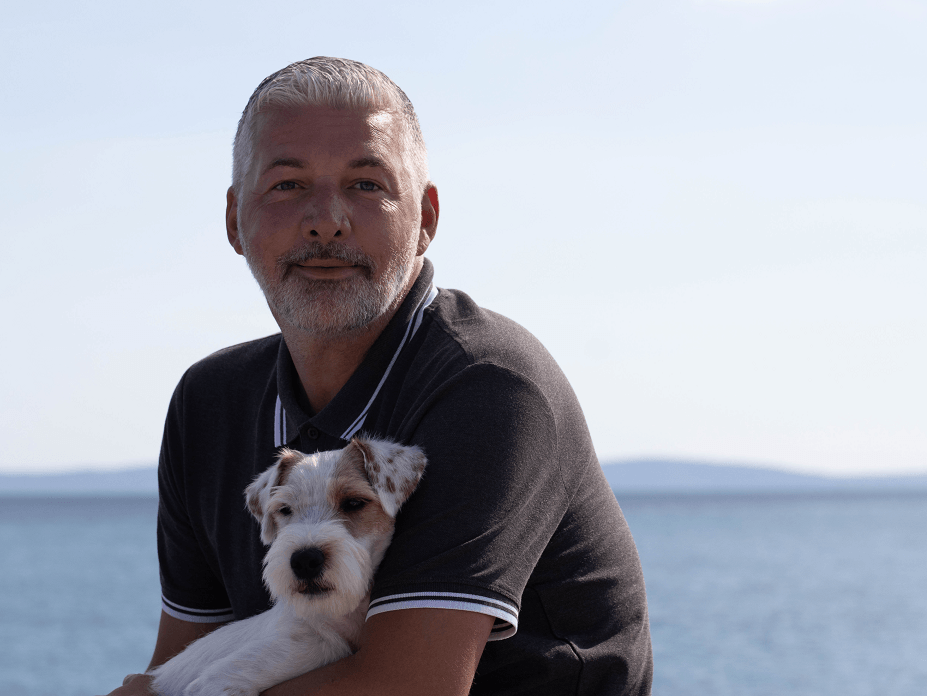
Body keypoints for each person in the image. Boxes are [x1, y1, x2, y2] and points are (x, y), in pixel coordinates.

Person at [107, 56, 652, 696]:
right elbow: (178, 669)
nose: (326, 219)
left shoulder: (490, 385)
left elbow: (410, 688)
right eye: (287, 185)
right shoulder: (209, 402)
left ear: (426, 218)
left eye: (366, 184)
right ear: (234, 220)